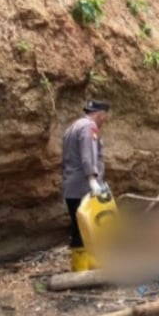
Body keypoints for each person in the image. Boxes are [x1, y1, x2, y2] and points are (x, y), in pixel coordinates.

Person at [62, 100, 110, 272]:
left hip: (72, 185)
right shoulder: (89, 127)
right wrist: (92, 180)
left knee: (80, 226)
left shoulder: (73, 127)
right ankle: (81, 268)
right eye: (104, 117)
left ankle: (87, 261)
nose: (104, 121)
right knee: (84, 227)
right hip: (83, 186)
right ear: (100, 115)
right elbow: (87, 156)